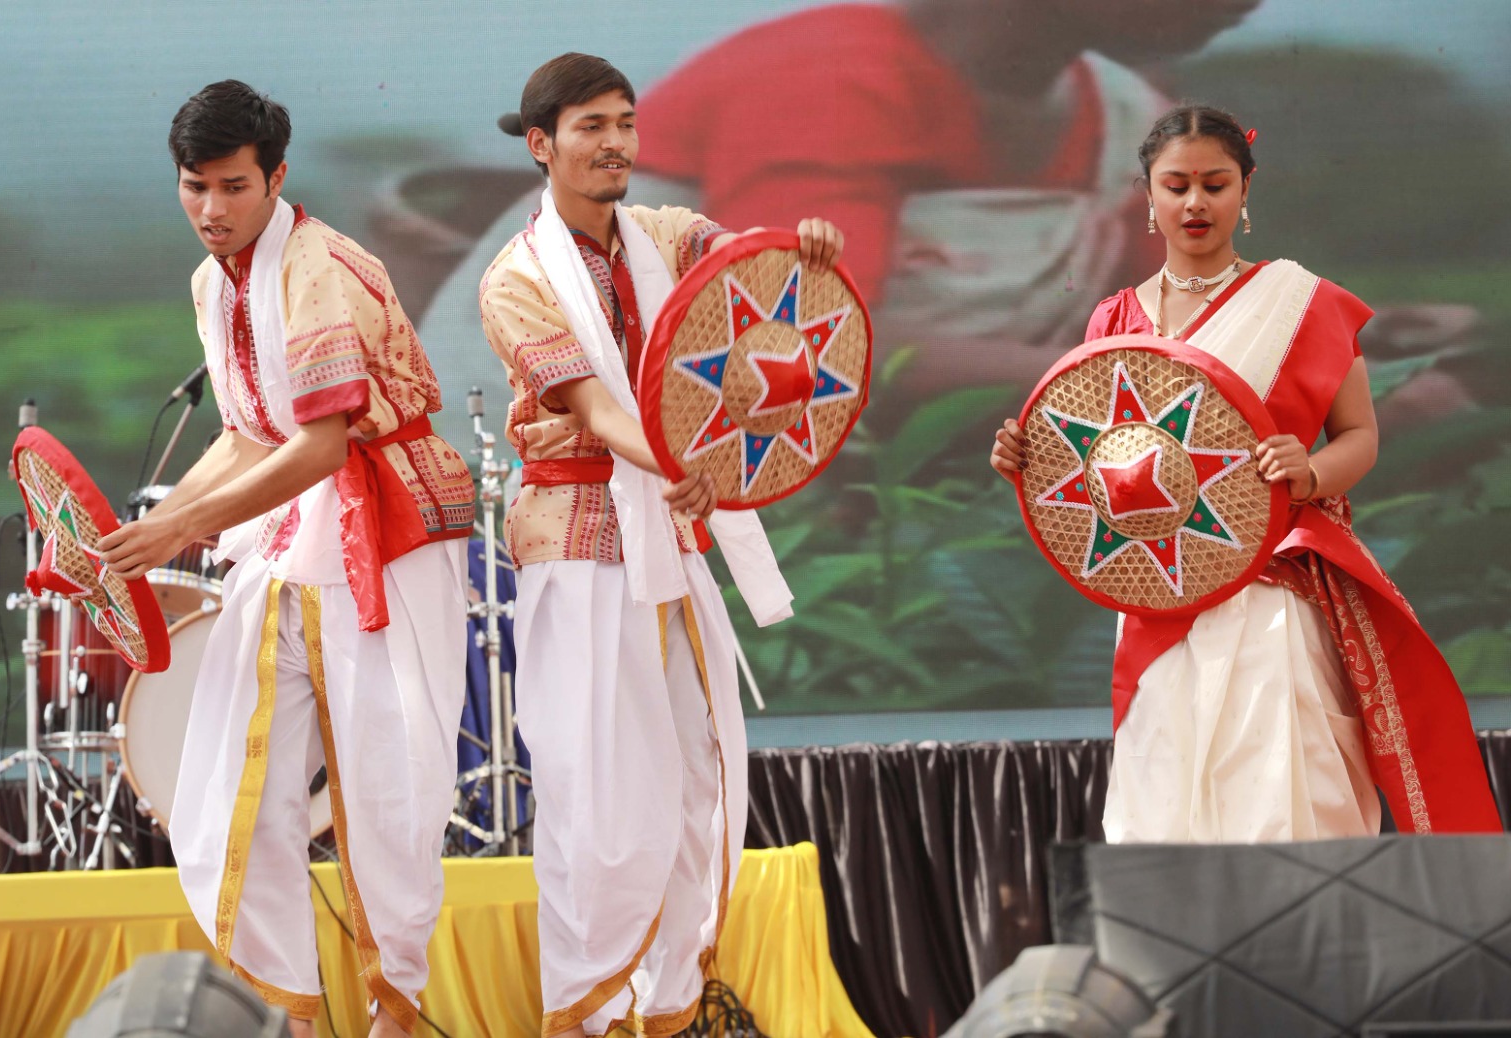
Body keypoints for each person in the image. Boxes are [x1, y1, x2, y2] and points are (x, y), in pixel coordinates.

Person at [989, 105, 1501, 842]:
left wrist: (1309, 471)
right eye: (1176, 186)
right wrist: (1027, 457)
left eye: (1215, 183)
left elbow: (1359, 436)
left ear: (1245, 189)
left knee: (1283, 799)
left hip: (1273, 587)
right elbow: (1092, 464)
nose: (1195, 202)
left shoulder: (1302, 305)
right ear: (1148, 195)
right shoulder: (1114, 321)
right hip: (1158, 598)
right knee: (1163, 805)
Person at [99, 80, 475, 1037]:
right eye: (195, 187)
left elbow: (321, 445)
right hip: (288, 537)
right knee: (228, 788)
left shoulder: (321, 268)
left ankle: (396, 1013)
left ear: (277, 178)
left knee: (389, 792)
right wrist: (147, 529)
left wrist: (180, 531)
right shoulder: (210, 282)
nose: (212, 209)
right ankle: (288, 1015)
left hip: (384, 536)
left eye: (233, 186)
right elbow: (246, 434)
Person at [477, 53, 842, 1037]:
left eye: (625, 123)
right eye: (590, 127)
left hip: (670, 540)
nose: (615, 144)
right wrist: (682, 456)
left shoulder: (668, 235)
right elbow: (596, 409)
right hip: (578, 548)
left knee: (695, 783)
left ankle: (672, 1010)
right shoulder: (517, 278)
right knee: (599, 801)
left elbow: (750, 266)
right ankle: (582, 1020)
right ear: (541, 144)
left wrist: (803, 248)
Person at [636, 0, 1262, 399]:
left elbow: (1166, 324)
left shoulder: (1125, 122)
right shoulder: (826, 79)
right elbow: (797, 352)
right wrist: (1147, 374)